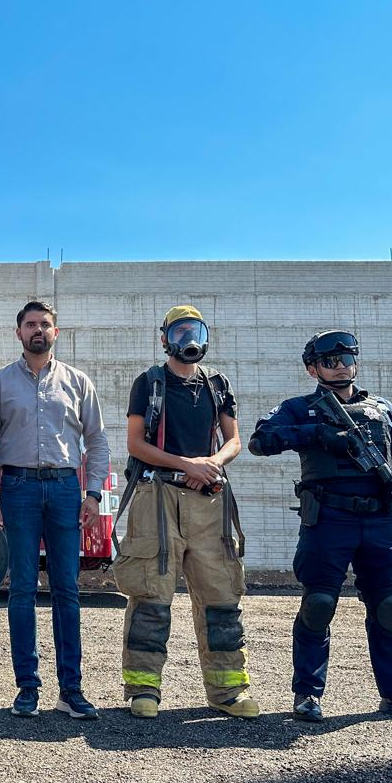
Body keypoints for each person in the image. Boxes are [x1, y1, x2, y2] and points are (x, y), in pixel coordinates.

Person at [248, 330, 392, 723]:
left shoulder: (382, 409)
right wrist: (314, 433)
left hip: (380, 520)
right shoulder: (301, 408)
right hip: (328, 520)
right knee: (318, 605)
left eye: (346, 359)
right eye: (330, 361)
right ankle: (307, 694)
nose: (340, 367)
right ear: (312, 368)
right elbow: (260, 440)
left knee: (390, 607)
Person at [112, 305, 258, 720]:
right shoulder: (149, 383)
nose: (187, 338)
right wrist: (186, 464)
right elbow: (136, 445)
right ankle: (144, 688)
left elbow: (233, 440)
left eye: (194, 330)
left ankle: (228, 690)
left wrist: (210, 465)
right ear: (164, 339)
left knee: (221, 595)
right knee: (151, 594)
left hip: (209, 499)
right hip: (156, 496)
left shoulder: (218, 385)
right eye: (179, 331)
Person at [0, 300, 110, 719]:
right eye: (31, 324)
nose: (39, 330)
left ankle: (70, 689)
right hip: (16, 489)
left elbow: (97, 441)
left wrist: (92, 493)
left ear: (57, 332)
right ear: (18, 332)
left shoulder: (78, 382)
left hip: (63, 491)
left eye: (46, 324)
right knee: (21, 588)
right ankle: (28, 688)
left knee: (67, 590)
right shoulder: (0, 384)